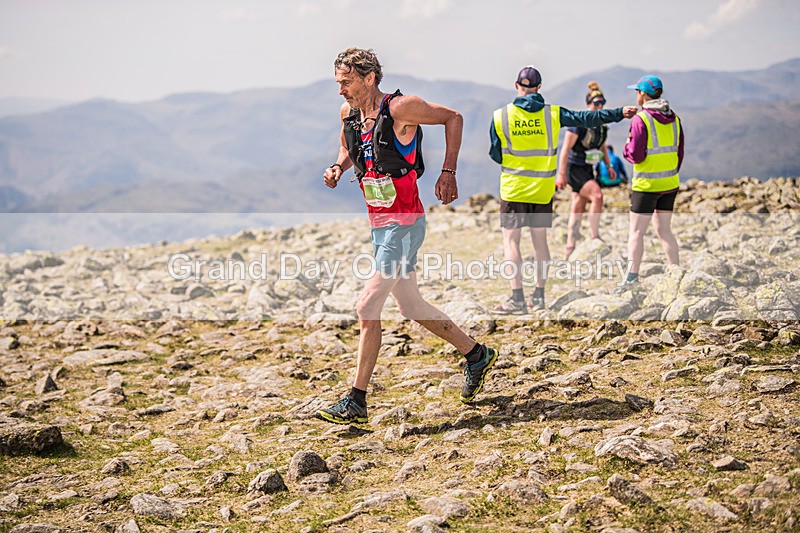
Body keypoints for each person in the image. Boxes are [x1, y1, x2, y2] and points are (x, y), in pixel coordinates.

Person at [316, 48, 499, 424]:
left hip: (404, 223)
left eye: (346, 82)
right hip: (379, 224)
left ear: (369, 78)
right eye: (338, 83)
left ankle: (357, 400)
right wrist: (338, 165)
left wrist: (448, 171)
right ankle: (476, 354)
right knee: (411, 306)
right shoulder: (348, 113)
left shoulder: (401, 108)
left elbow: (453, 117)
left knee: (367, 307)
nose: (340, 91)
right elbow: (349, 145)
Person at [489, 67, 637, 313]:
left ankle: (516, 299)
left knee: (511, 243)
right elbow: (587, 118)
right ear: (539, 87)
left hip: (514, 189)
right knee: (540, 243)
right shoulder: (553, 114)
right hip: (542, 190)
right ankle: (539, 296)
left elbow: (495, 154)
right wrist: (619, 113)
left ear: (517, 86)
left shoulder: (500, 116)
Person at [617, 75, 684, 291]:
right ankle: (676, 273)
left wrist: (625, 148)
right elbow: (679, 153)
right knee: (665, 231)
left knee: (636, 233)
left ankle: (631, 279)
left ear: (643, 94)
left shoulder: (641, 119)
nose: (636, 95)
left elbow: (635, 155)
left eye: (637, 91)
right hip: (670, 183)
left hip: (646, 186)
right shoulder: (675, 119)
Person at [557, 82, 618, 259]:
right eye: (595, 103)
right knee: (597, 195)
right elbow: (565, 149)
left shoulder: (600, 126)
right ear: (588, 104)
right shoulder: (579, 123)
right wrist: (561, 174)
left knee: (578, 203)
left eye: (602, 102)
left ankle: (570, 244)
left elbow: (602, 147)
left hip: (587, 166)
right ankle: (594, 236)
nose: (599, 106)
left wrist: (609, 166)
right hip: (573, 167)